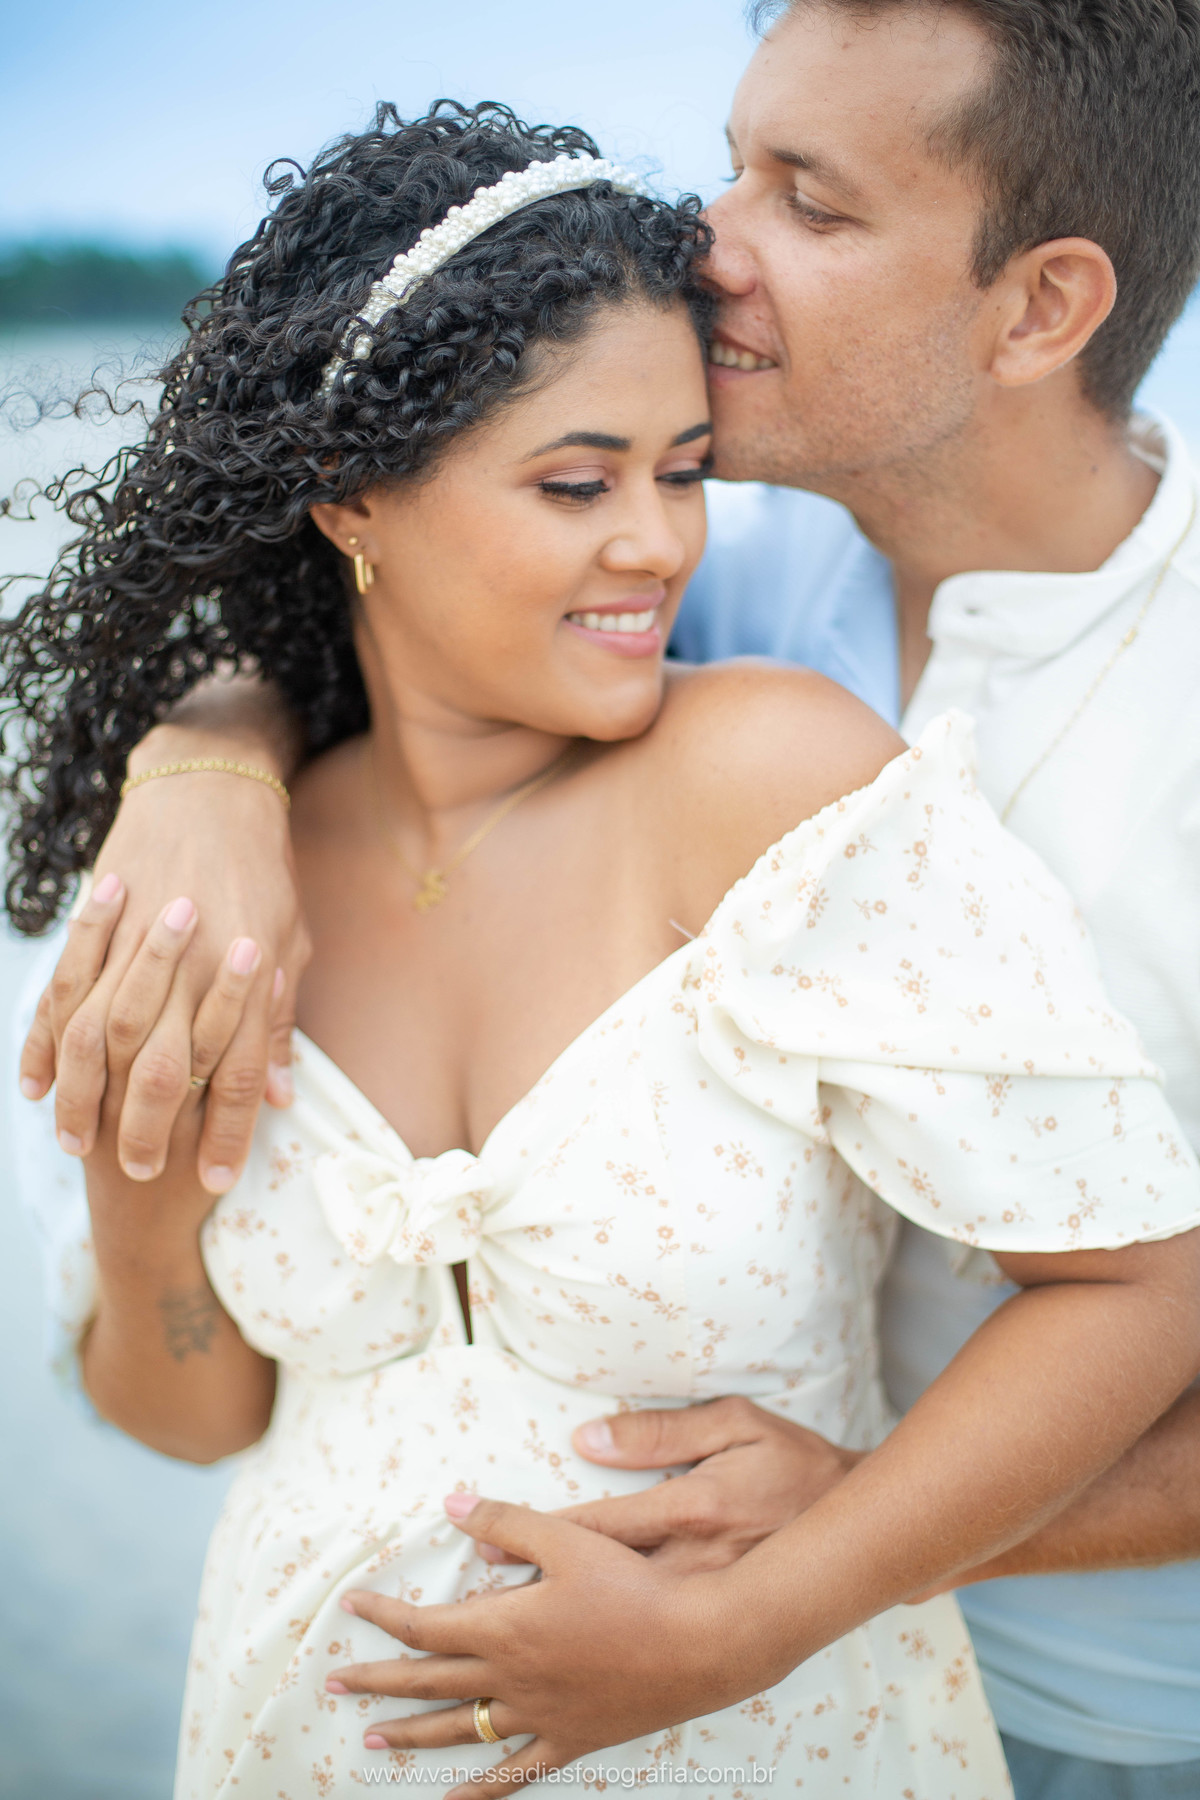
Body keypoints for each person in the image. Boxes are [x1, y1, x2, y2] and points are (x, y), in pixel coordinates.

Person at [12, 2, 1200, 1795]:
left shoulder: (765, 733)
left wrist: (814, 1569)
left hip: (1078, 1708)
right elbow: (414, 585)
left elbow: (1141, 1286)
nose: (711, 241)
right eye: (733, 160)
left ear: (1038, 307)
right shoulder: (745, 554)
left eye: (807, 197)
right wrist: (203, 764)